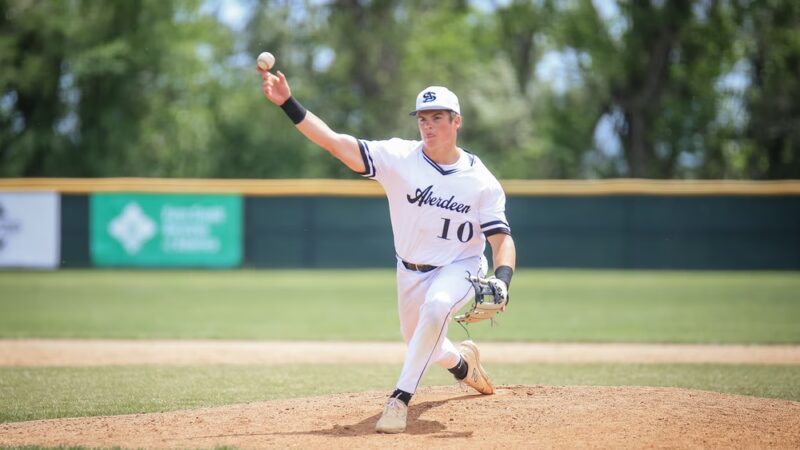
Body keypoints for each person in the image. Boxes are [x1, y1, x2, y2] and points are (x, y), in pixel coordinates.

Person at [259, 68, 516, 434]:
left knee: (438, 306)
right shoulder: (398, 157)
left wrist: (503, 278)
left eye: (437, 118)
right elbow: (335, 142)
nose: (428, 126)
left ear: (456, 121)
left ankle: (399, 400)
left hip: (462, 265)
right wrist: (288, 103)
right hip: (409, 270)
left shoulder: (481, 181)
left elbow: (500, 239)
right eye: (423, 119)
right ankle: (462, 364)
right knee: (420, 340)